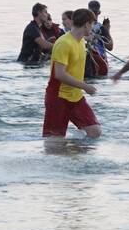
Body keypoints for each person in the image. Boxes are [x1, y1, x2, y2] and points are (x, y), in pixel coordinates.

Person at [43, 8, 101, 139]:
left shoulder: (80, 41)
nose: (92, 27)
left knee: (94, 132)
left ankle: (73, 151)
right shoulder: (64, 43)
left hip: (76, 97)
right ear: (87, 24)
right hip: (58, 97)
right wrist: (85, 86)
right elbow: (59, 74)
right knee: (54, 140)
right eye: (92, 24)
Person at [86, 0, 112, 76]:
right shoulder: (101, 28)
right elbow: (110, 47)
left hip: (88, 54)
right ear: (99, 12)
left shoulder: (83, 25)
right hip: (99, 57)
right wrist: (107, 30)